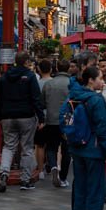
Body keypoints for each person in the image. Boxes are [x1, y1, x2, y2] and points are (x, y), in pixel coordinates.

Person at [67, 66, 106, 210]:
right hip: (94, 150)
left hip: (77, 147)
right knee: (95, 189)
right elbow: (103, 128)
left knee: (80, 187)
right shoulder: (96, 100)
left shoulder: (73, 95)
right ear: (91, 80)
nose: (102, 81)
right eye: (100, 78)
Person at [0, 51, 45, 193]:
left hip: (7, 116)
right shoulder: (29, 76)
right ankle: (25, 179)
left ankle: (4, 173)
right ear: (27, 62)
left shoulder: (4, 77)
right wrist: (41, 118)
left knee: (8, 146)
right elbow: (36, 98)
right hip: (26, 116)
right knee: (27, 148)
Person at [39, 59, 73, 187]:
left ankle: (53, 166)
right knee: (66, 150)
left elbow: (41, 103)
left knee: (52, 147)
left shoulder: (49, 84)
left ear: (57, 68)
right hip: (67, 121)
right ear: (69, 68)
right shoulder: (72, 83)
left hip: (51, 120)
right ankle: (63, 177)